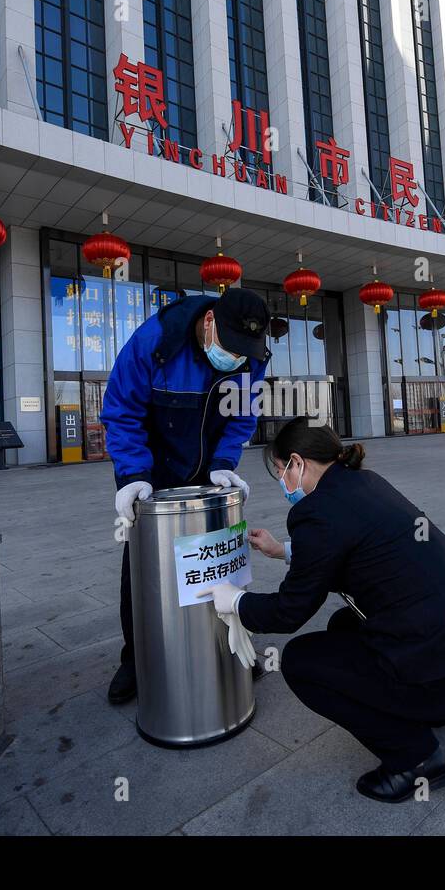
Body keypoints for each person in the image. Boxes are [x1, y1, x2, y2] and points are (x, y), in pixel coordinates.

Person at [208, 418, 445, 803]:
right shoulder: (365, 483)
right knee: (343, 623)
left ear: (298, 463)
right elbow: (355, 545)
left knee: (301, 662)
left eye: (281, 469)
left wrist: (234, 601)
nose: (282, 479)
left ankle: (416, 759)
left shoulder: (315, 512)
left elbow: (289, 612)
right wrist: (283, 550)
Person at [100, 287, 271, 704]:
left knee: (218, 560)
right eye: (230, 348)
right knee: (143, 568)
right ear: (209, 322)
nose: (236, 358)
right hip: (152, 470)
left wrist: (225, 463)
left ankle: (231, 646)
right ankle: (137, 659)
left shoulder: (252, 357)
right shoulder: (154, 342)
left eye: (244, 352)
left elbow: (243, 415)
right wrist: (133, 475)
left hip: (208, 468)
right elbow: (122, 411)